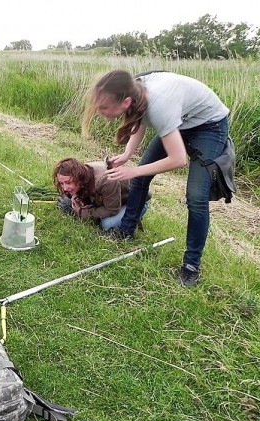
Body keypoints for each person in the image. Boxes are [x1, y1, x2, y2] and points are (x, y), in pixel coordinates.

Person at [82, 70, 230, 287]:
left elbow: (178, 159)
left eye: (103, 107)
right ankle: (126, 231)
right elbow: (139, 119)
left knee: (196, 197)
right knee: (141, 177)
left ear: (125, 102)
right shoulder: (136, 87)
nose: (99, 111)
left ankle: (191, 267)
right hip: (181, 121)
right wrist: (127, 155)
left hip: (209, 126)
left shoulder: (159, 105)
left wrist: (133, 171)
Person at [52, 157, 148, 230]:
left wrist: (84, 212)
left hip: (133, 201)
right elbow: (79, 191)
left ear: (78, 177)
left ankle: (136, 215)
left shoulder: (106, 181)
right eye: (61, 183)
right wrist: (76, 197)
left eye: (68, 182)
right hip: (108, 198)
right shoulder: (81, 172)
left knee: (107, 225)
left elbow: (112, 210)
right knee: (65, 202)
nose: (64, 188)